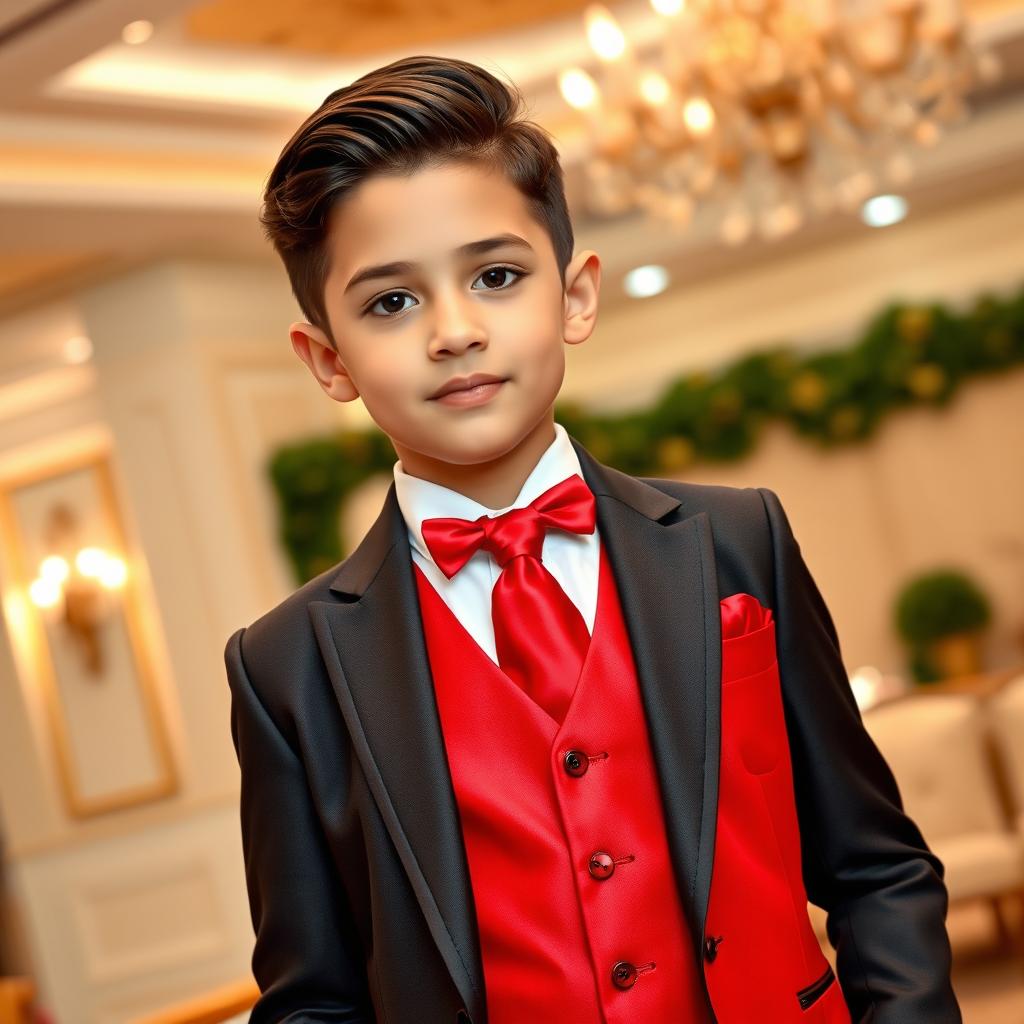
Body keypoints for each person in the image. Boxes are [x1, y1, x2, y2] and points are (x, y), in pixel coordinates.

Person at [223, 54, 961, 1024]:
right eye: (390, 301)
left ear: (574, 296)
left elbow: (875, 865)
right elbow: (313, 1000)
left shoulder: (737, 541)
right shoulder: (288, 666)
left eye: (495, 275)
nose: (453, 331)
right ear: (328, 359)